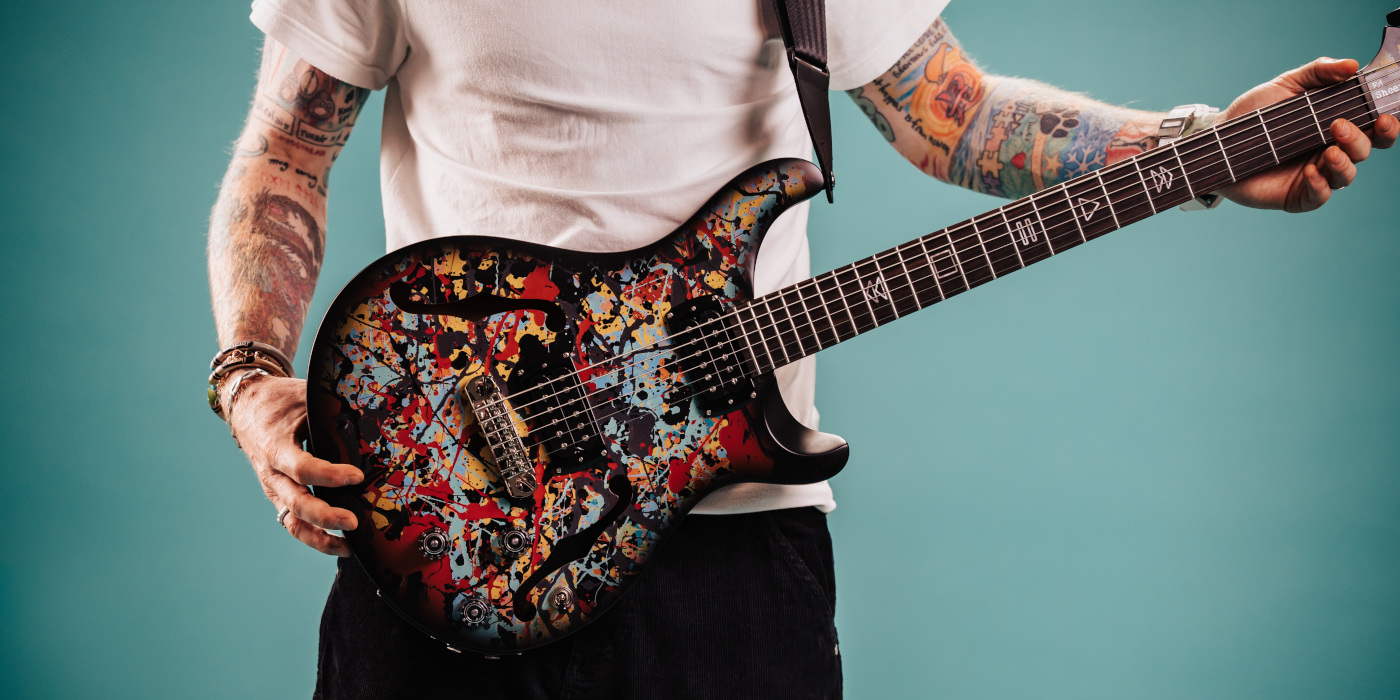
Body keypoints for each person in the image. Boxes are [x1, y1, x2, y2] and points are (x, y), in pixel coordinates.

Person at [206, 1, 1397, 697]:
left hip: (729, 546)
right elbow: (285, 154)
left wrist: (1204, 143)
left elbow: (960, 115)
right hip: (454, 536)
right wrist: (252, 380)